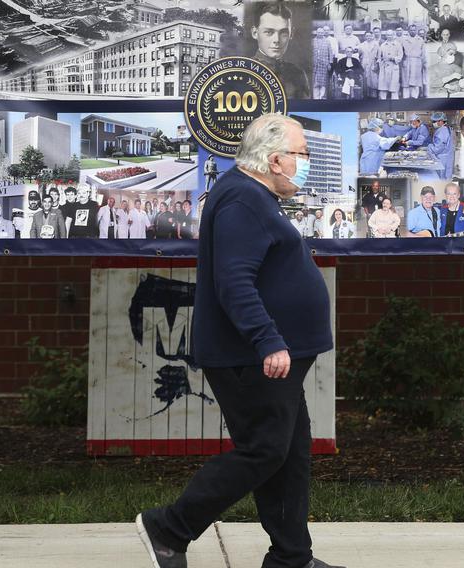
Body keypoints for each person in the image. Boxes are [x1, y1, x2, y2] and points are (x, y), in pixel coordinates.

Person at [135, 113, 340, 568]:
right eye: (302, 154)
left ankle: (291, 558)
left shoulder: (253, 196)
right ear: (274, 160)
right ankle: (169, 528)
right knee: (265, 449)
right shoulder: (243, 201)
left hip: (273, 354)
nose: (306, 162)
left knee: (288, 453)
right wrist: (268, 340)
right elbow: (234, 282)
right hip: (250, 356)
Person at [250, 2, 310, 99]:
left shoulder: (297, 74)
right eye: (269, 32)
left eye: (283, 33)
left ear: (291, 34)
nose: (277, 40)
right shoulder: (242, 71)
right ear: (255, 33)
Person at [399, 24, 426, 99]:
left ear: (416, 31)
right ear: (408, 31)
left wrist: (422, 62)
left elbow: (423, 53)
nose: (413, 31)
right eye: (411, 30)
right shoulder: (404, 40)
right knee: (406, 81)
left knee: (415, 82)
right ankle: (406, 97)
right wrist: (402, 61)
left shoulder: (420, 40)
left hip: (417, 62)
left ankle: (415, 97)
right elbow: (400, 52)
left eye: (414, 30)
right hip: (407, 61)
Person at [426, 112, 454, 179]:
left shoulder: (442, 131)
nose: (433, 123)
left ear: (441, 121)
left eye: (434, 121)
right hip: (447, 158)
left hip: (442, 159)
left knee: (441, 178)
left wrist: (429, 147)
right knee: (446, 178)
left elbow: (437, 148)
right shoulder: (447, 128)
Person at [377, 30, 403, 100]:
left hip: (394, 66)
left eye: (391, 35)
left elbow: (400, 56)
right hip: (384, 67)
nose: (389, 36)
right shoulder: (382, 45)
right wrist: (381, 63)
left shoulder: (397, 44)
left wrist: (393, 58)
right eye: (388, 35)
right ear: (386, 36)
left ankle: (395, 102)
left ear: (393, 35)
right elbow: (379, 57)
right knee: (383, 86)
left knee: (394, 85)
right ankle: (382, 101)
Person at [312, 27, 334, 99]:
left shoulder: (327, 41)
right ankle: (316, 98)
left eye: (321, 32)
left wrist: (330, 63)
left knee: (323, 83)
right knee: (315, 83)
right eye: (319, 32)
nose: (320, 34)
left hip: (324, 65)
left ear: (323, 33)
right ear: (316, 32)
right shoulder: (313, 41)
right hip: (315, 65)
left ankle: (322, 98)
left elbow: (330, 53)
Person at [358, 31, 380, 98]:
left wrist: (377, 64)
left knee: (373, 79)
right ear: (365, 37)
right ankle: (366, 94)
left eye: (370, 36)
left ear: (372, 36)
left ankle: (373, 94)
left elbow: (378, 56)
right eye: (367, 36)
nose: (368, 37)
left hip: (373, 62)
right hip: (364, 63)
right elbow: (359, 55)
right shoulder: (361, 45)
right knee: (365, 78)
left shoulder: (376, 44)